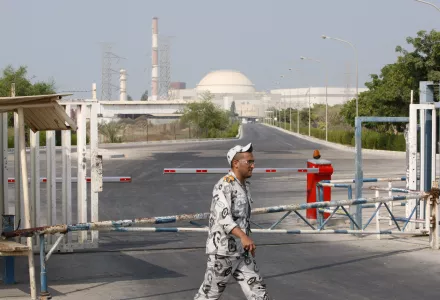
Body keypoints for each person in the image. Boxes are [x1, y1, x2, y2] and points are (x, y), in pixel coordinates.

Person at [194, 143, 270, 300]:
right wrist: (243, 236)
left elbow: (242, 218)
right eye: (249, 162)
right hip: (222, 252)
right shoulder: (224, 185)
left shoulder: (244, 186)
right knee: (209, 295)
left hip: (241, 252)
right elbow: (224, 217)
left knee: (258, 290)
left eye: (253, 162)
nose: (253, 166)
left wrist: (245, 241)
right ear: (236, 163)